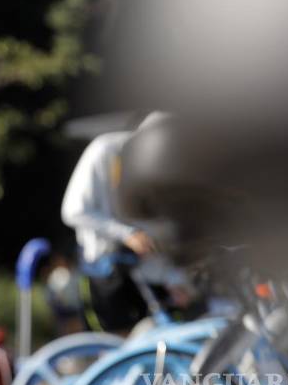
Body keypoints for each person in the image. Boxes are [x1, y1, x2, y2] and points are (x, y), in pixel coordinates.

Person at [60, 116, 191, 333]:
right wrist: (127, 234)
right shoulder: (105, 151)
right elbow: (73, 210)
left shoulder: (164, 165)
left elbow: (161, 229)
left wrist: (174, 278)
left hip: (149, 276)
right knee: (118, 345)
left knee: (161, 345)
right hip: (107, 270)